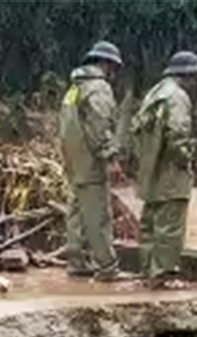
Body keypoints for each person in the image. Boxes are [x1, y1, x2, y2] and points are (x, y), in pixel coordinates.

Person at [132, 50, 197, 289]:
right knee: (170, 224)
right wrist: (186, 159)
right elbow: (177, 135)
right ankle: (164, 274)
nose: (195, 83)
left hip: (150, 169)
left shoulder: (154, 94)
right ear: (184, 75)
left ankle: (148, 271)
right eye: (193, 77)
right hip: (171, 171)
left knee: (151, 223)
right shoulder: (177, 97)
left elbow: (138, 132)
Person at [58, 41, 132, 283]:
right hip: (91, 163)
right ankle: (107, 267)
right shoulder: (98, 88)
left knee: (77, 213)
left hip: (74, 163)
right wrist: (110, 157)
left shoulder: (74, 89)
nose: (114, 74)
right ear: (107, 64)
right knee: (99, 216)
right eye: (113, 68)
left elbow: (67, 128)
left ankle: (77, 262)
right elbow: (100, 126)